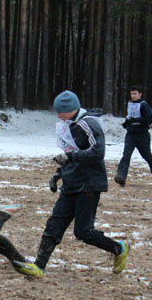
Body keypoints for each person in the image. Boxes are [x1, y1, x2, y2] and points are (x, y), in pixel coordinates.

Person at [13, 91, 130, 278]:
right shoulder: (68, 125)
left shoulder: (89, 124)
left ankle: (118, 248)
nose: (58, 115)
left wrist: (70, 157)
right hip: (71, 183)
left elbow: (98, 152)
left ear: (71, 109)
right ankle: (38, 266)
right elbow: (72, 155)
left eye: (61, 112)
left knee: (83, 232)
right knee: (53, 225)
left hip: (89, 184)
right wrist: (58, 174)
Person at [114, 85, 152, 187]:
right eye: (131, 94)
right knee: (126, 155)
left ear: (140, 94)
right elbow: (130, 116)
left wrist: (136, 120)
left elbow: (149, 120)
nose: (133, 96)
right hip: (131, 134)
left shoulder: (144, 105)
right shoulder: (130, 103)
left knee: (147, 156)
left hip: (142, 135)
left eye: (135, 94)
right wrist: (126, 123)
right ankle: (121, 177)